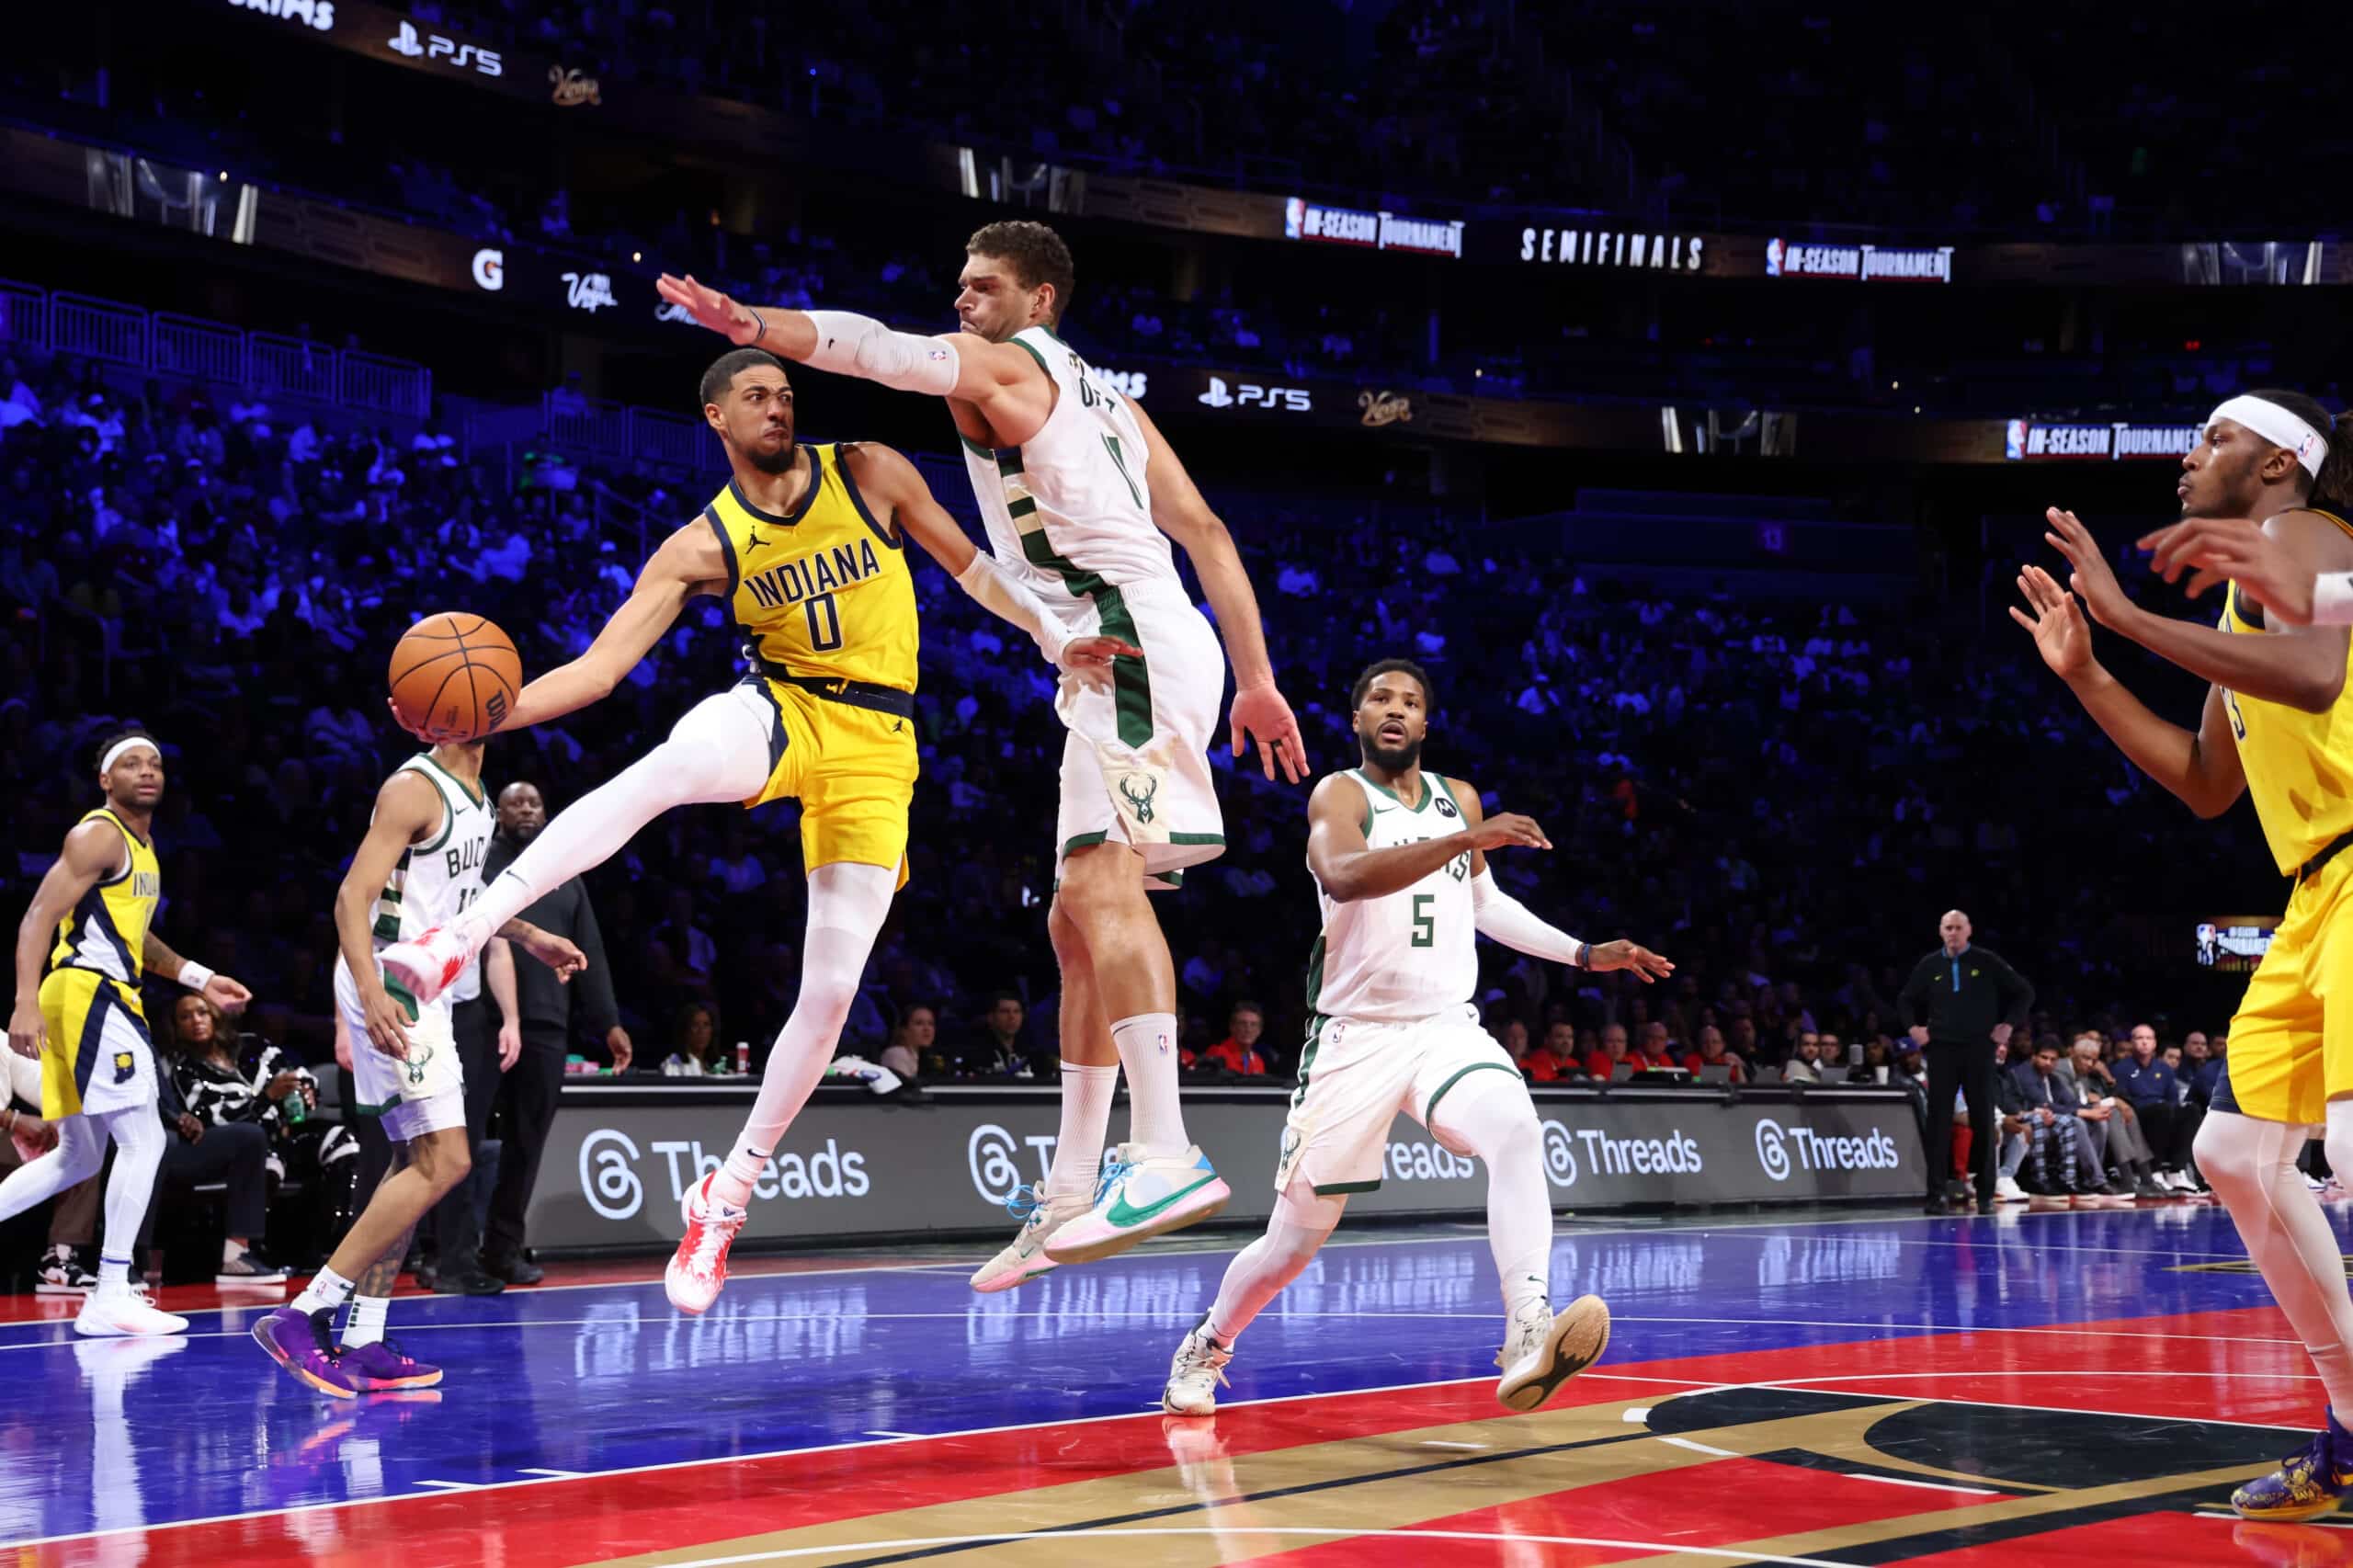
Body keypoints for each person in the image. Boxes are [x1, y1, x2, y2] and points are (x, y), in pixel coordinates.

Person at [375, 347, 1129, 1317]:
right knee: (667, 767)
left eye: (784, 393)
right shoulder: (705, 542)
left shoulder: (866, 468)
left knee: (828, 994)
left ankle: (724, 1193)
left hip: (879, 743)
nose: (778, 406)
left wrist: (1047, 631)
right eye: (756, 397)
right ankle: (452, 940)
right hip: (782, 706)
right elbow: (600, 671)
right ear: (716, 418)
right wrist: (481, 715)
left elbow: (973, 568)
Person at [655, 221, 1311, 1285]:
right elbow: (1210, 535)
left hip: (1123, 643)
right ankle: (1067, 1188)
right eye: (957, 285)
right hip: (1125, 650)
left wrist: (752, 325)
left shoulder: (1010, 367)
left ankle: (1164, 1150)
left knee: (1101, 886)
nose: (963, 301)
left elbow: (876, 348)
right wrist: (1258, 678)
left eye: (984, 286)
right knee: (1068, 916)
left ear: (1039, 301)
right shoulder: (1113, 400)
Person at [1161, 659, 1670, 1416]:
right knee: (1292, 1245)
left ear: (1426, 725)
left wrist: (1586, 953)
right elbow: (1343, 876)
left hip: (1441, 1027)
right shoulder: (1340, 794)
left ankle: (1527, 1327)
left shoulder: (1456, 798)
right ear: (1358, 721)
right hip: (1355, 1039)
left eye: (1409, 702)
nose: (1394, 710)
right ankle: (1209, 1340)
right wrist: (1463, 837)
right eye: (1378, 699)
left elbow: (1484, 904)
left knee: (1517, 1129)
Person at [2013, 389, 2353, 1519]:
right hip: (2315, 894)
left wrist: (2117, 609)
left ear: (2276, 465)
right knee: (2237, 1154)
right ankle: (2351, 1425)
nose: (2187, 453)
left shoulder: (2307, 538)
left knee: (2347, 1152)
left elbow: (2316, 676)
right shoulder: (2247, 604)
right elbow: (2206, 782)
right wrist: (2086, 673)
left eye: (2215, 436)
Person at [253, 737, 583, 1397]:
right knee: (447, 1161)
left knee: (416, 1167)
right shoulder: (413, 788)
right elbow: (351, 898)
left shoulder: (479, 796)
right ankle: (304, 1313)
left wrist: (530, 934)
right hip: (392, 977)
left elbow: (465, 896)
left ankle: (364, 1334)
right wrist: (373, 991)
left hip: (422, 983)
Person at [4, 731, 251, 1335]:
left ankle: (109, 1292)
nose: (148, 771)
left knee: (78, 1155)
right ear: (105, 780)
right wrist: (24, 1001)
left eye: (156, 763)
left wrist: (200, 976)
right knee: (145, 1140)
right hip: (87, 994)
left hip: (103, 994)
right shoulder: (99, 834)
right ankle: (110, 1290)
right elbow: (39, 915)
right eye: (131, 764)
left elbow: (134, 938)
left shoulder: (143, 848)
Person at [471, 779, 628, 1286]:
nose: (525, 809)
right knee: (460, 1139)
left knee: (526, 1142)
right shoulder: (482, 864)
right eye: (515, 802)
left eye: (534, 802)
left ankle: (502, 1250)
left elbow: (592, 951)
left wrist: (608, 1022)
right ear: (498, 813)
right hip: (479, 1017)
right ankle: (443, 1251)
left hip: (546, 1024)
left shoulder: (565, 872)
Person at [1898, 910, 2035, 1215]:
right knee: (1938, 1122)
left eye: (1958, 928)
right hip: (1942, 1050)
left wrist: (2008, 1025)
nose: (1953, 933)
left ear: (1969, 930)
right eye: (1948, 928)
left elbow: (2024, 992)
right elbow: (1905, 999)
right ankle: (1936, 1194)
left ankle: (1986, 1194)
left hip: (1978, 1049)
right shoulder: (1930, 964)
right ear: (1940, 931)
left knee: (1983, 1120)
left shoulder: (1986, 961)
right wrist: (1914, 1029)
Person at [661, 1001, 731, 1076]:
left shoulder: (717, 1065)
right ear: (685, 1031)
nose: (701, 1031)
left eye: (706, 1025)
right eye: (695, 1025)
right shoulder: (673, 1063)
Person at [1202, 1003, 1270, 1076]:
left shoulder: (1258, 1061)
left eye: (1253, 1024)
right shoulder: (1218, 1052)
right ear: (1232, 1027)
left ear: (1259, 1031)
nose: (1248, 1030)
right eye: (1242, 1023)